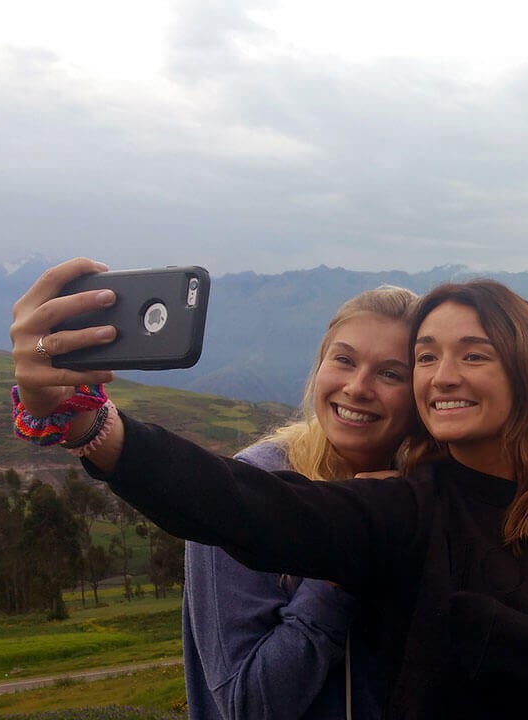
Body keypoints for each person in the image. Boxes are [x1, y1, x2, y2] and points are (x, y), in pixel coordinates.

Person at [10, 259, 528, 720]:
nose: (443, 375)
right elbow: (246, 504)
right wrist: (92, 428)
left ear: (527, 370)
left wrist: (487, 631)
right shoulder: (407, 504)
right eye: (427, 358)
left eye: (473, 354)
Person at [185, 285, 421, 720]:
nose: (357, 387)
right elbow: (247, 705)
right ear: (320, 365)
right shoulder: (250, 489)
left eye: (390, 373)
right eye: (344, 360)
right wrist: (343, 560)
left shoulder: (424, 495)